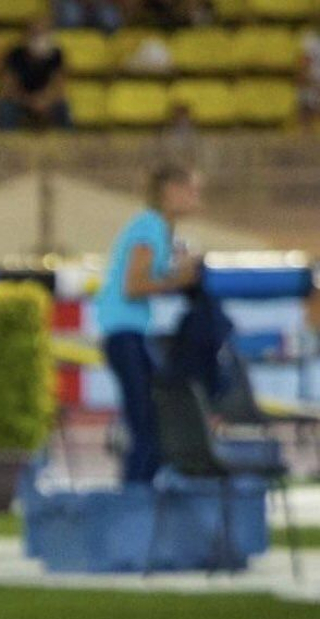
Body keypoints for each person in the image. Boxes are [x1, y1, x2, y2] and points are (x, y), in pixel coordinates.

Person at [95, 164, 203, 484]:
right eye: (191, 190)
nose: (197, 197)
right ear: (170, 190)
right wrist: (178, 279)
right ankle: (133, 503)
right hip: (124, 333)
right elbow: (134, 285)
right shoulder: (150, 226)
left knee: (149, 427)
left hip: (132, 333)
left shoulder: (162, 231)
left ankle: (137, 499)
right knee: (145, 429)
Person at [0, 20, 71, 129]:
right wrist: (30, 102)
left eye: (43, 33)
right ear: (27, 35)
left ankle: (68, 142)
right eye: (36, 33)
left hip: (46, 100)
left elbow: (59, 86)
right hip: (21, 100)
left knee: (62, 107)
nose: (40, 38)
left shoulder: (56, 55)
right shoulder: (14, 54)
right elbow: (8, 88)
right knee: (6, 107)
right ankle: (7, 141)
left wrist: (45, 101)